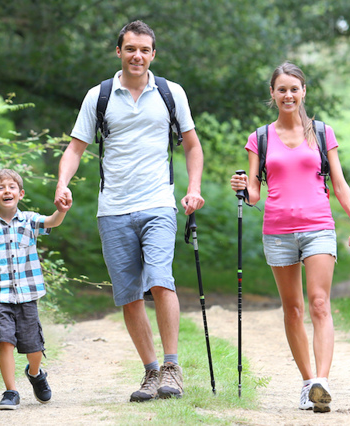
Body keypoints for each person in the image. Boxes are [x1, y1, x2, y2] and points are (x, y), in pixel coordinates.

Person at [54, 20, 204, 402]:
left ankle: (172, 368)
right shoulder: (99, 96)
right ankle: (151, 372)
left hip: (158, 203)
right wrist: (62, 184)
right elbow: (75, 149)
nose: (137, 55)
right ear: (118, 52)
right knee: (129, 295)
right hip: (114, 209)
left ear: (153, 54)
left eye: (144, 49)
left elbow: (191, 146)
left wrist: (194, 188)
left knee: (160, 278)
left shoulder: (171, 93)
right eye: (130, 48)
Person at [229, 62, 350, 413]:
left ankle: (323, 380)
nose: (288, 95)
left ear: (303, 91)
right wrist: (243, 188)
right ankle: (308, 384)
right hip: (277, 232)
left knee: (319, 303)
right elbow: (255, 193)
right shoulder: (259, 138)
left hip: (318, 226)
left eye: (294, 88)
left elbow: (339, 184)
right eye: (281, 89)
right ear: (273, 94)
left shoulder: (322, 133)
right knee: (292, 309)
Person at [0, 168, 69, 410]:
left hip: (27, 294)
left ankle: (35, 373)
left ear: (21, 193)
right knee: (5, 341)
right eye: (0, 188)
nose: (7, 191)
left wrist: (62, 210)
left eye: (12, 187)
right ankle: (11, 391)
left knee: (33, 346)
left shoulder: (30, 220)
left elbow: (52, 221)